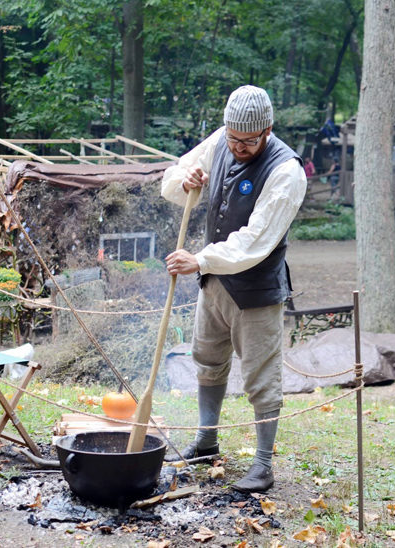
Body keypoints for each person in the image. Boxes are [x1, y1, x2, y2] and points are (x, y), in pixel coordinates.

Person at [160, 85, 307, 492]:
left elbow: (256, 240)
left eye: (248, 141)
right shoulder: (220, 141)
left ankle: (263, 465)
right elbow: (171, 183)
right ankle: (207, 441)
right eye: (233, 139)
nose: (238, 148)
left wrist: (201, 259)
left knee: (260, 376)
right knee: (206, 359)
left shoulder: (286, 172)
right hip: (215, 286)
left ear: (268, 130)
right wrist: (185, 179)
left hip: (257, 291)